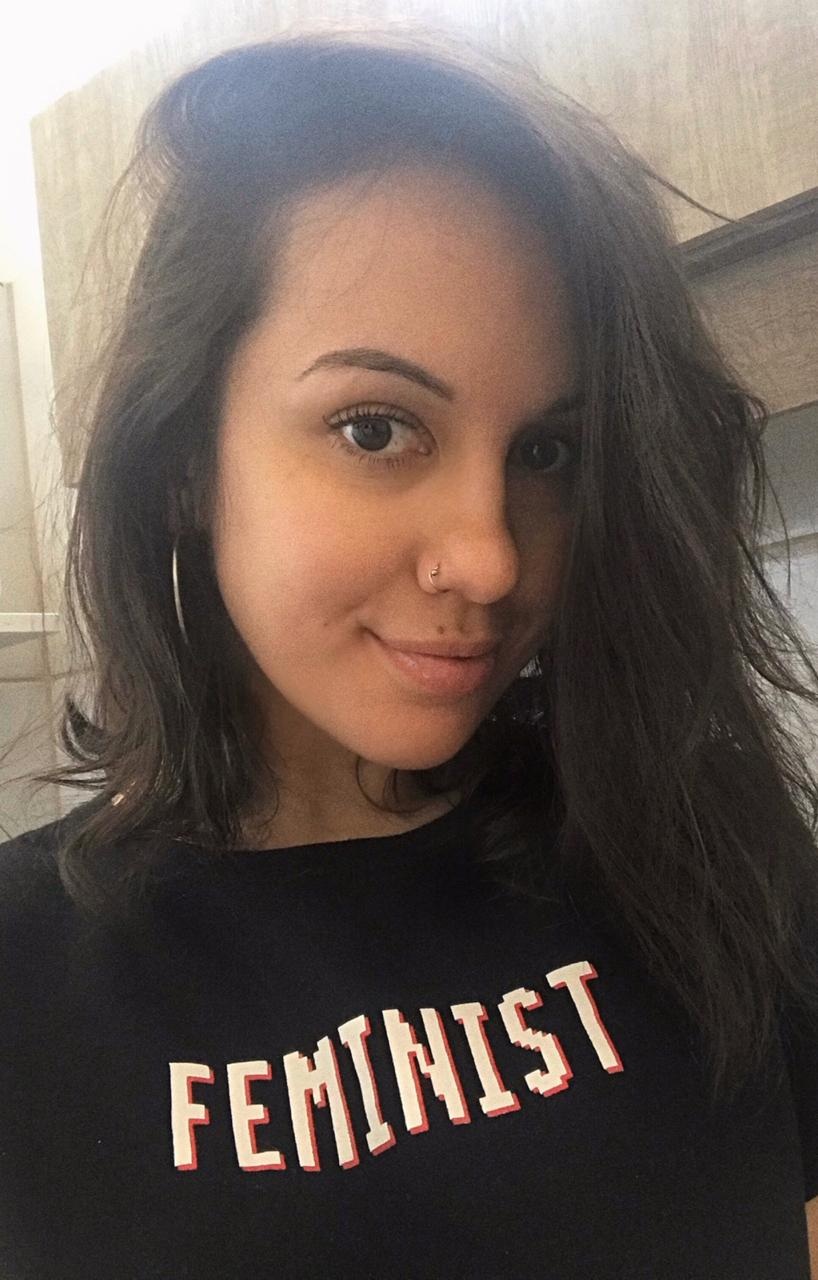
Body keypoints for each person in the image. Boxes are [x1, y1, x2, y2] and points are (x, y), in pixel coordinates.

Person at [1, 25, 817, 1280]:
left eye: (546, 451)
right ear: (182, 465)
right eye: (376, 428)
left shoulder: (705, 848)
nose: (489, 558)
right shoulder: (26, 978)